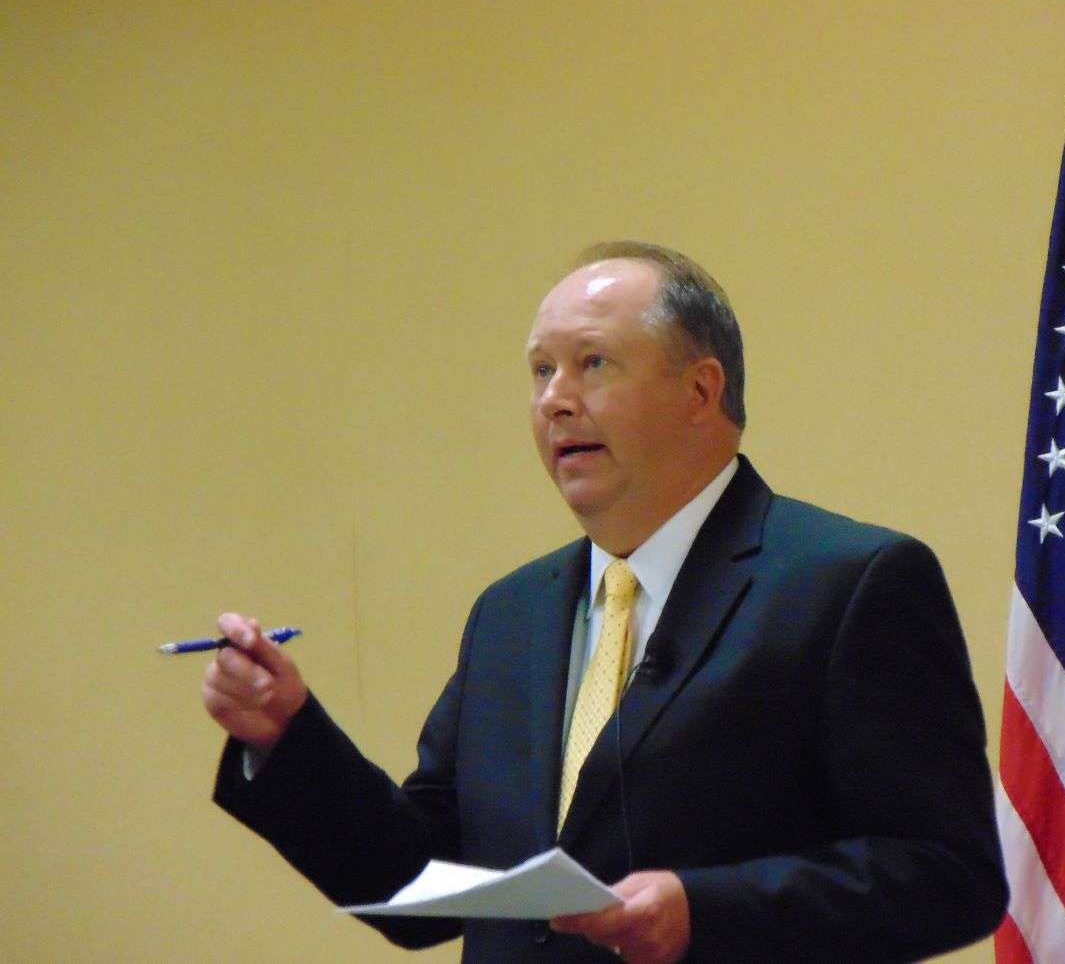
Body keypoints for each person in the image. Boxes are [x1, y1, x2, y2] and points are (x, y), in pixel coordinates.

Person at [205, 241, 1008, 963]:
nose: (555, 399)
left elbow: (948, 874)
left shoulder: (849, 582)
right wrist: (287, 737)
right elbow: (421, 884)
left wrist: (706, 911)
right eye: (539, 371)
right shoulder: (511, 615)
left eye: (593, 364)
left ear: (700, 392)